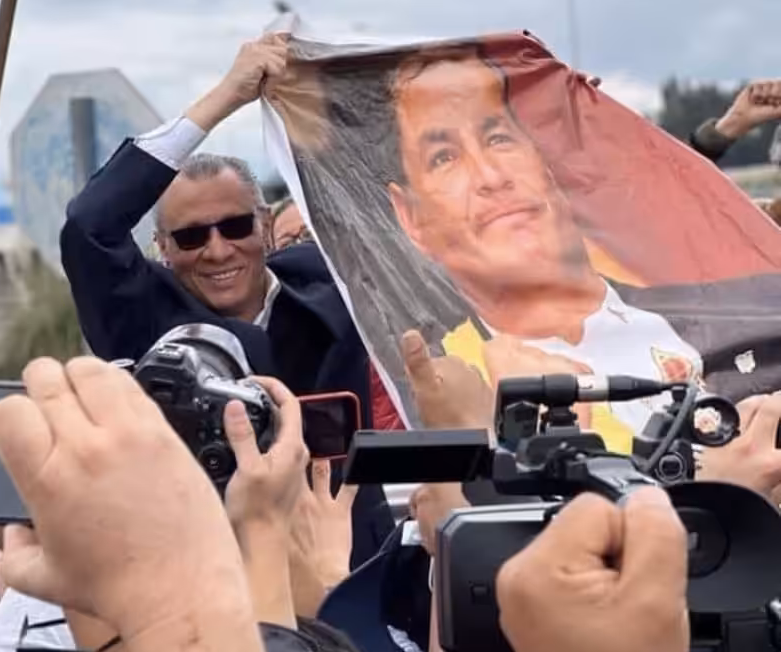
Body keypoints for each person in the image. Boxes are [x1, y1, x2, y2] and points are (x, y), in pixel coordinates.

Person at [317, 44, 781, 446]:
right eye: (444, 158)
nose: (491, 178)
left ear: (548, 160)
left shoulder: (744, 311)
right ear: (411, 217)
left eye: (499, 138)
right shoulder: (438, 386)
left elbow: (658, 196)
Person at [61, 33, 393, 567]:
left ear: (265, 226)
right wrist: (226, 97)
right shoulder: (145, 319)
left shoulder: (326, 280)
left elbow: (393, 192)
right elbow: (88, 226)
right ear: (161, 248)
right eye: (191, 236)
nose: (217, 251)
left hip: (354, 565)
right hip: (217, 576)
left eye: (236, 226)